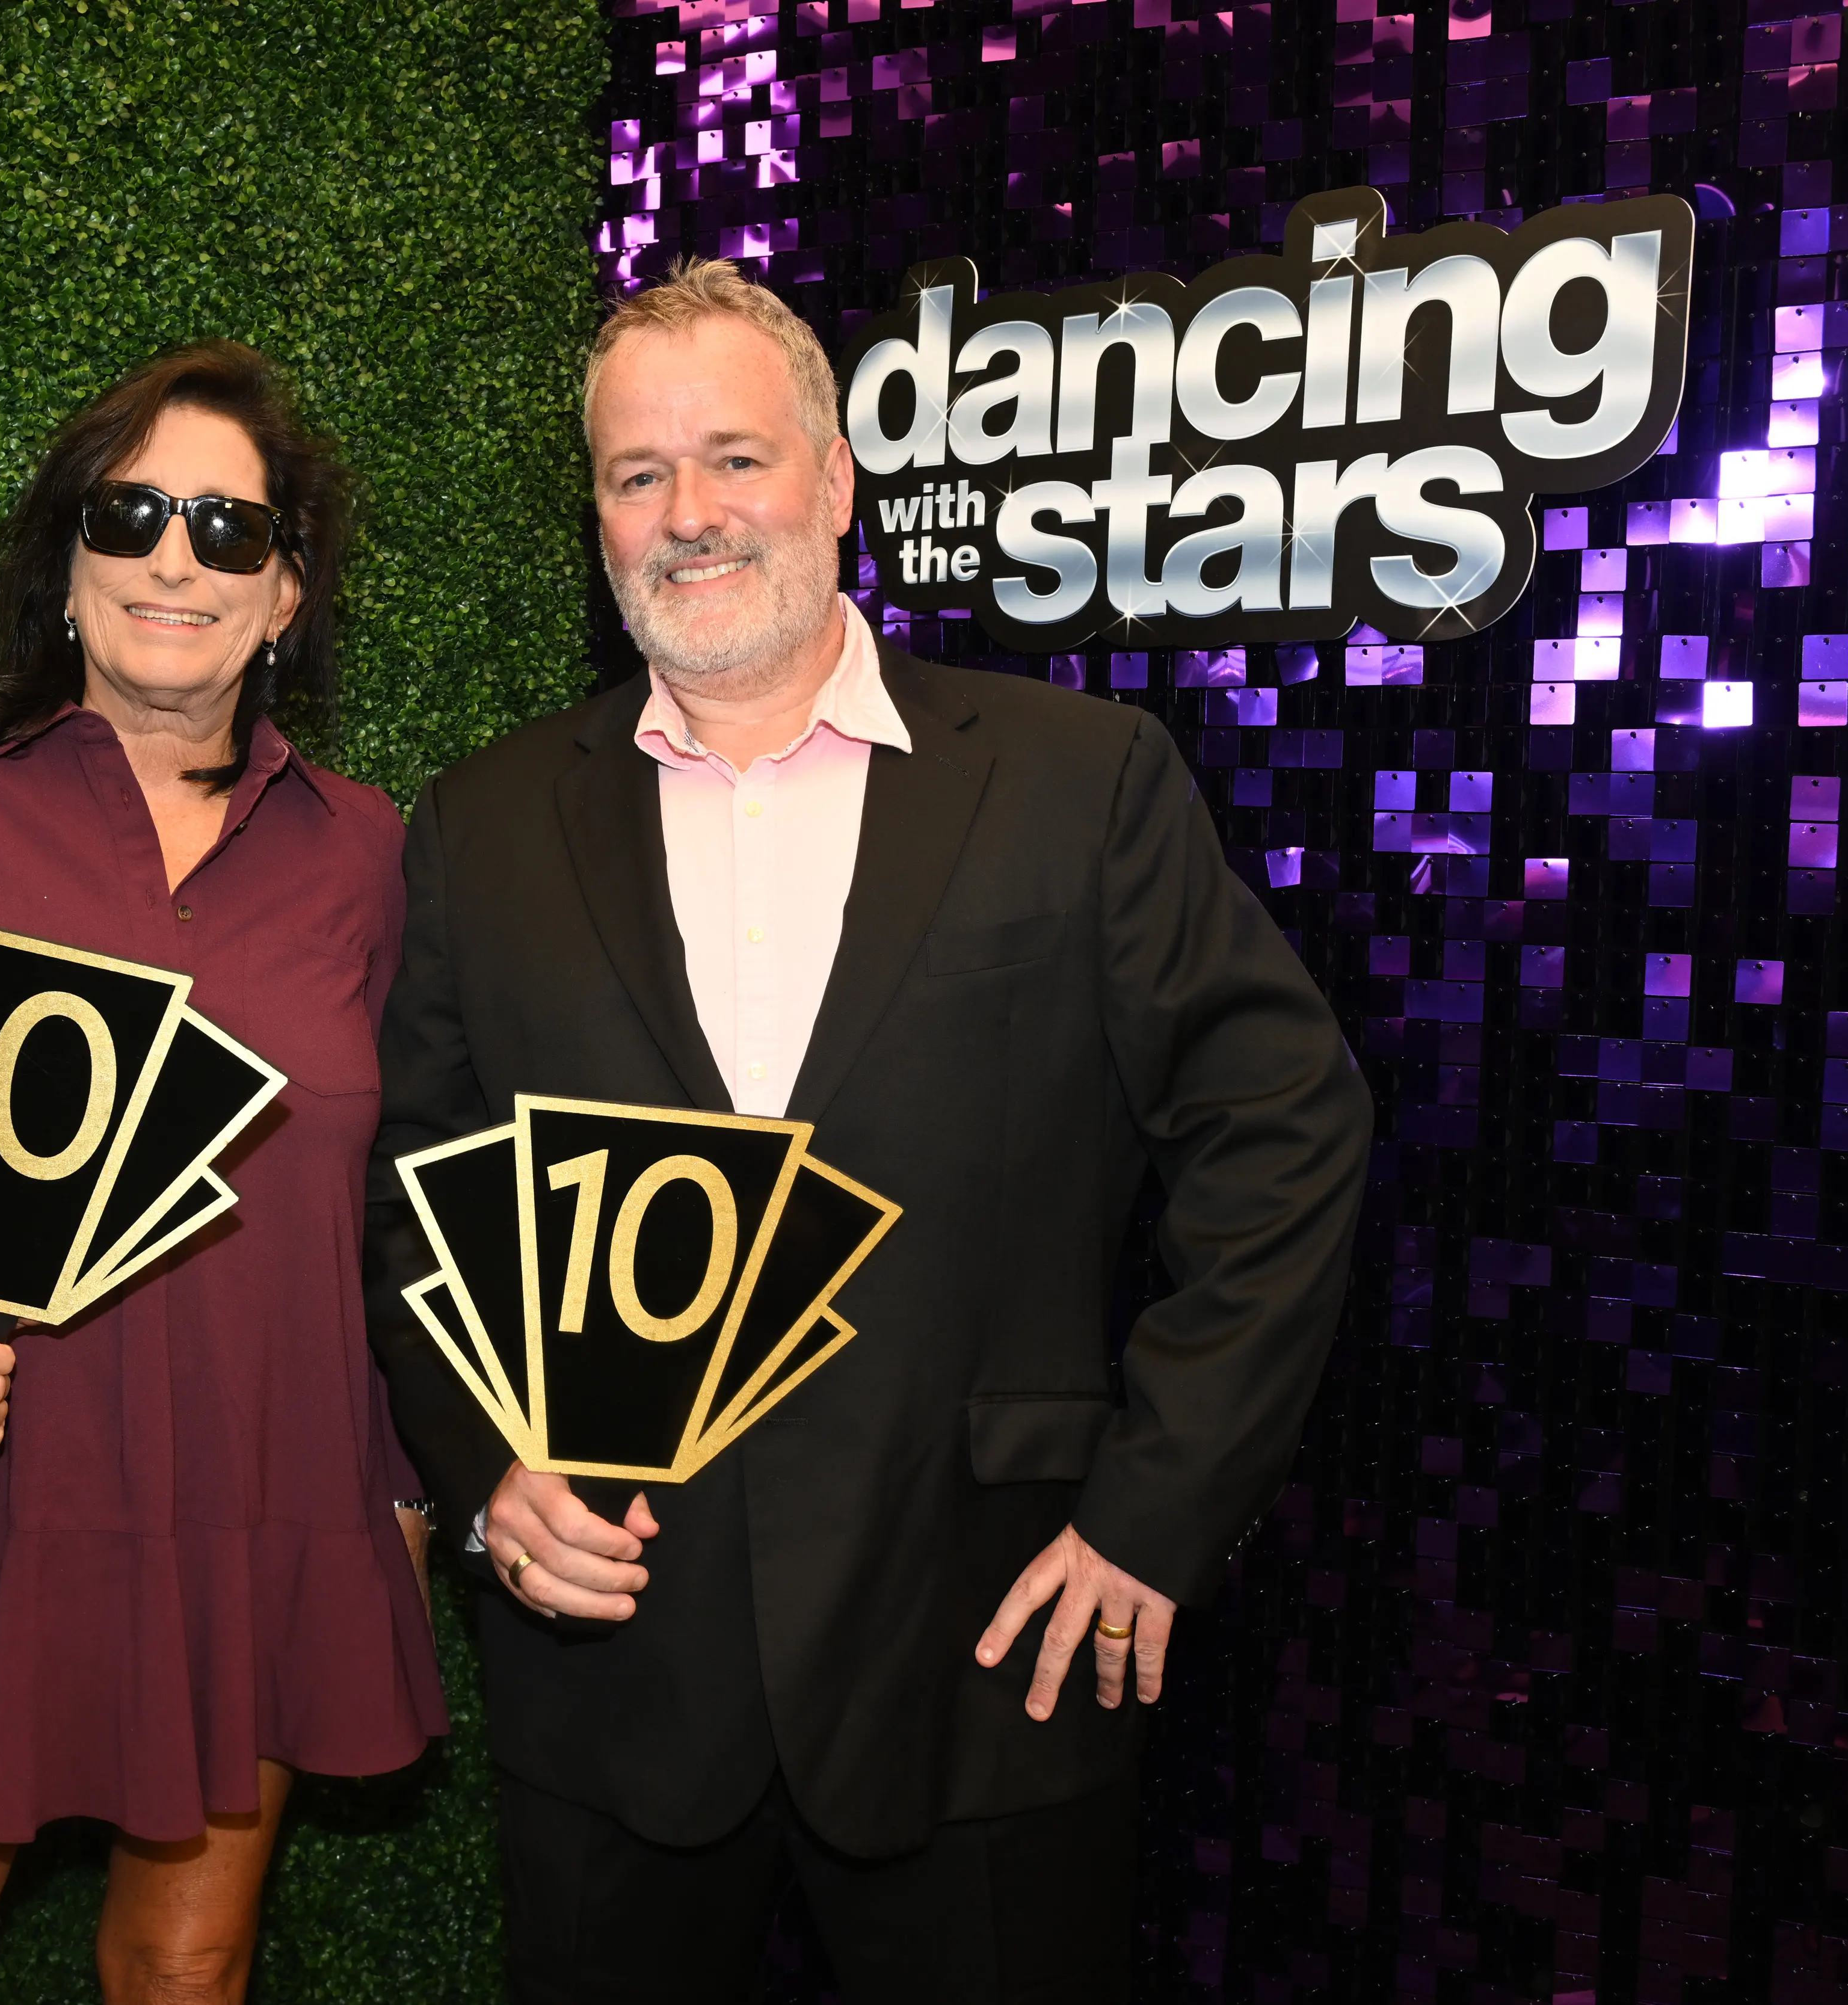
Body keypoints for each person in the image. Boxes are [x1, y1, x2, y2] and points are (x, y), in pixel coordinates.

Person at [366, 260, 1371, 2001]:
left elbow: (1284, 1124)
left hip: (986, 1660)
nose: (691, 515)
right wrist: (486, 1475)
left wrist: (1156, 1504)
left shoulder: (1080, 779)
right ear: (597, 519)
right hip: (616, 1686)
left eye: (737, 459)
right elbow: (419, 1206)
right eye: (637, 474)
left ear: (838, 480)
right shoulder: (486, 822)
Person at [0, 341, 443, 2005]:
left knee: (183, 1976)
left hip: (261, 1504)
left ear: (285, 596)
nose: (175, 555)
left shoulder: (367, 851)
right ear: (68, 564)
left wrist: (409, 1486)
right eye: (131, 514)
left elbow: (397, 1201)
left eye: (227, 525)